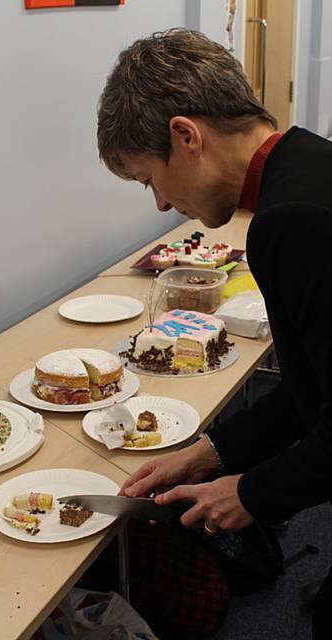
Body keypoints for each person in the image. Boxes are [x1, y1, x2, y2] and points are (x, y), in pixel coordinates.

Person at [97, 28, 332, 638]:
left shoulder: (291, 223)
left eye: (149, 179)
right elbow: (313, 383)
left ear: (185, 136)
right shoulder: (309, 162)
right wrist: (209, 453)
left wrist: (250, 493)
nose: (159, 204)